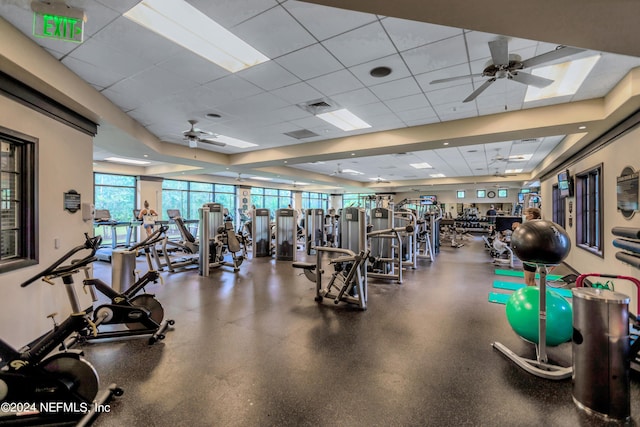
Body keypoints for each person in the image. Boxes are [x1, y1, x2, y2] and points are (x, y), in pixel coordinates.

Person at [518, 207, 541, 286]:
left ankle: (535, 297)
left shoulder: (531, 226)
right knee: (530, 280)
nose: (525, 216)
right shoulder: (536, 225)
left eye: (526, 214)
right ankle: (536, 296)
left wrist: (519, 227)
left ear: (531, 215)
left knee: (529, 280)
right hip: (531, 254)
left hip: (530, 255)